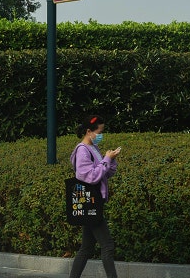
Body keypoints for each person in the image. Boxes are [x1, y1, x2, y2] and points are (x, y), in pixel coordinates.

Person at [69, 115, 121, 278]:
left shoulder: (94, 149)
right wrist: (106, 159)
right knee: (108, 246)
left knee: (86, 248)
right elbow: (88, 176)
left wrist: (111, 160)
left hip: (94, 203)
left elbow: (105, 173)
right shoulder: (83, 150)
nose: (101, 135)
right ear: (89, 131)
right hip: (90, 203)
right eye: (99, 132)